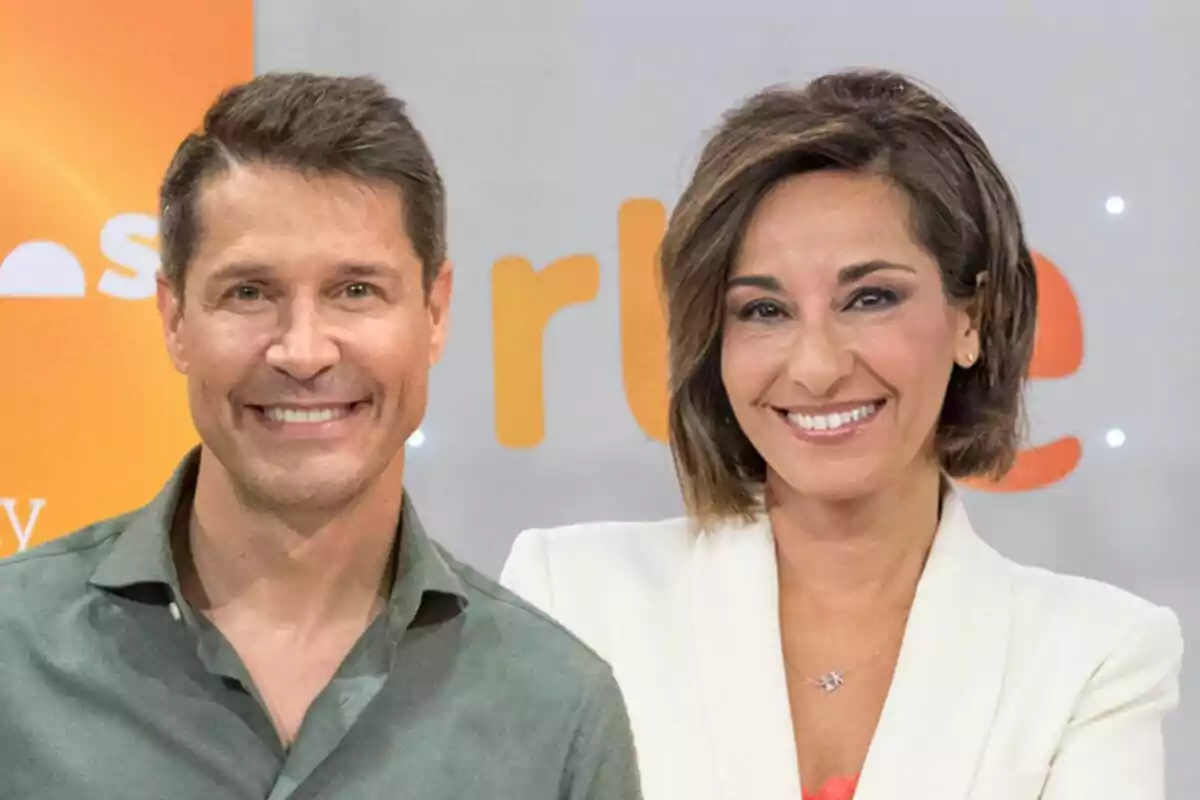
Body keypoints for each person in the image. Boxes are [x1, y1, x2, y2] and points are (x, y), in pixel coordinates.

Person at [501, 69, 1183, 800]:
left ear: (970, 318)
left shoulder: (1094, 656)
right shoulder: (570, 597)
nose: (818, 367)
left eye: (870, 299)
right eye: (764, 311)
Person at [0, 72, 640, 800]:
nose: (303, 352)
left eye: (355, 291)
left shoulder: (557, 710)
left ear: (435, 312)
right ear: (174, 319)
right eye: (249, 292)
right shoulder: (10, 659)